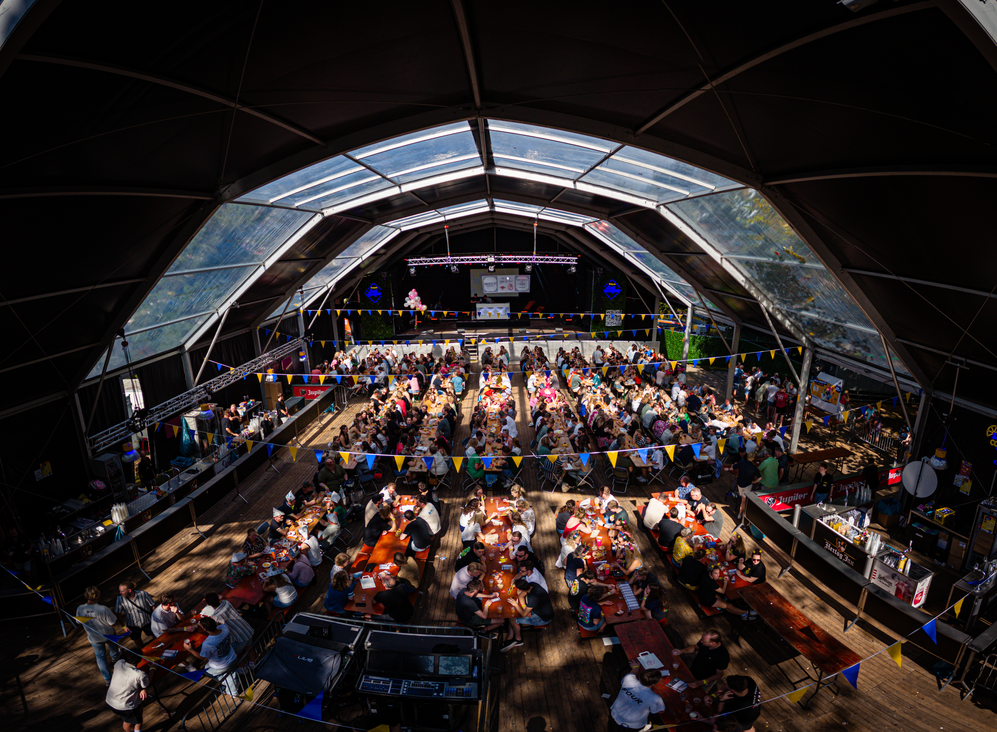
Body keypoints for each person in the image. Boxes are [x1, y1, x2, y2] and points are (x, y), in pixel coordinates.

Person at [77, 585, 122, 686]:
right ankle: (115, 656)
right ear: (97, 595)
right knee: (113, 646)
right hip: (109, 635)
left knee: (100, 658)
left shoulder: (80, 608)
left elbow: (78, 622)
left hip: (94, 638)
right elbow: (112, 623)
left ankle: (108, 679)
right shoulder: (103, 609)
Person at [182, 616, 238, 695]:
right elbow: (217, 628)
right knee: (228, 672)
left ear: (204, 629)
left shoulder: (208, 643)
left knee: (207, 672)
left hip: (222, 665)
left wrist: (190, 649)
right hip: (233, 657)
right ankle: (231, 682)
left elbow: (202, 657)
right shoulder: (224, 628)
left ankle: (227, 683)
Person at [501, 578, 554, 651]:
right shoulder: (532, 585)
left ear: (521, 589)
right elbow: (520, 596)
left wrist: (516, 605)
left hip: (542, 618)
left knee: (512, 619)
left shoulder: (533, 598)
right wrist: (524, 607)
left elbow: (523, 615)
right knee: (511, 615)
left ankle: (518, 640)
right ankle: (510, 638)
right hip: (539, 610)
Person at [105, 650, 150, 732]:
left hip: (110, 700)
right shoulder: (140, 674)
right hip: (124, 706)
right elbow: (147, 682)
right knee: (135, 721)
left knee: (136, 711)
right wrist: (153, 668)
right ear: (140, 659)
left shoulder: (119, 663)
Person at [115, 581, 155, 647]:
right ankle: (143, 655)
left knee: (154, 635)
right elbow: (117, 613)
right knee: (137, 640)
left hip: (147, 621)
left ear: (129, 590)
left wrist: (155, 619)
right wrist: (124, 626)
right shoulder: (120, 599)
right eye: (120, 591)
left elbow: (153, 606)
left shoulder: (143, 594)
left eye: (122, 591)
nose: (120, 593)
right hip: (132, 625)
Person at [731, 451, 762, 519]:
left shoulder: (741, 462)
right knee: (743, 500)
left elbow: (733, 467)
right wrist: (754, 481)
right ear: (753, 458)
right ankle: (740, 514)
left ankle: (740, 512)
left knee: (742, 498)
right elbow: (760, 477)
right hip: (747, 485)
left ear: (747, 457)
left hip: (740, 484)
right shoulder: (753, 467)